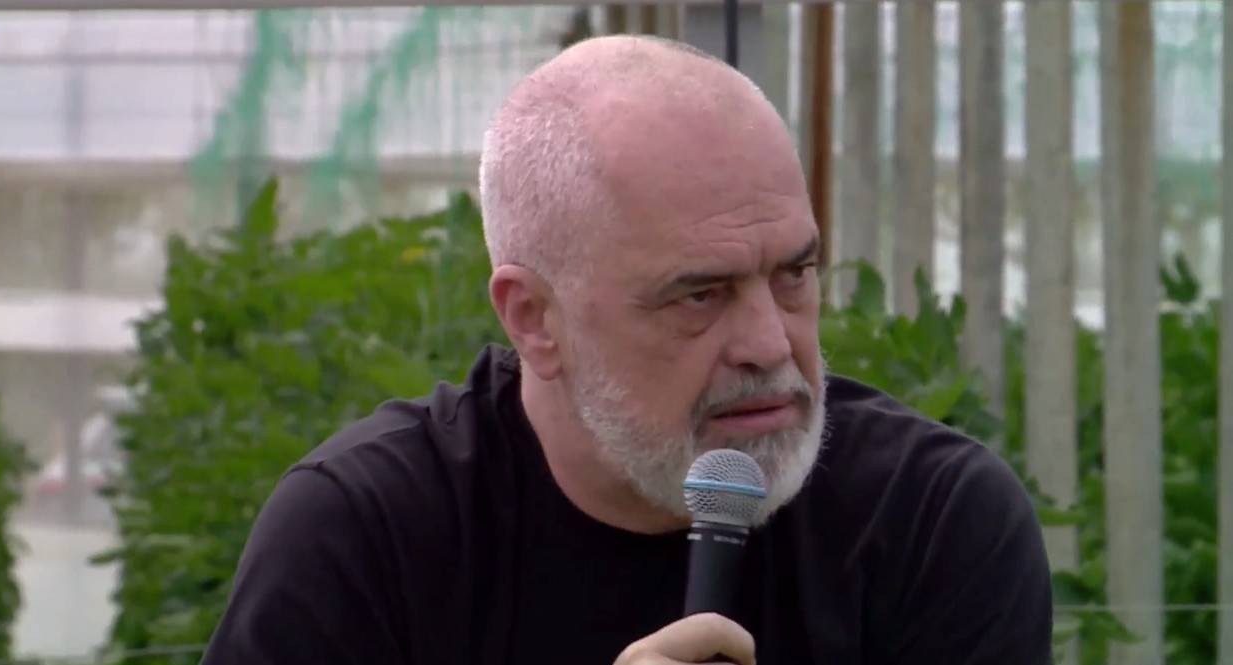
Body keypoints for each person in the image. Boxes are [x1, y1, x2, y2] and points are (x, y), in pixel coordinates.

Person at [198, 34, 1053, 665]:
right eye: (699, 295)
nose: (769, 343)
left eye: (794, 274)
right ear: (535, 318)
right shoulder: (366, 538)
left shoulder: (930, 521)